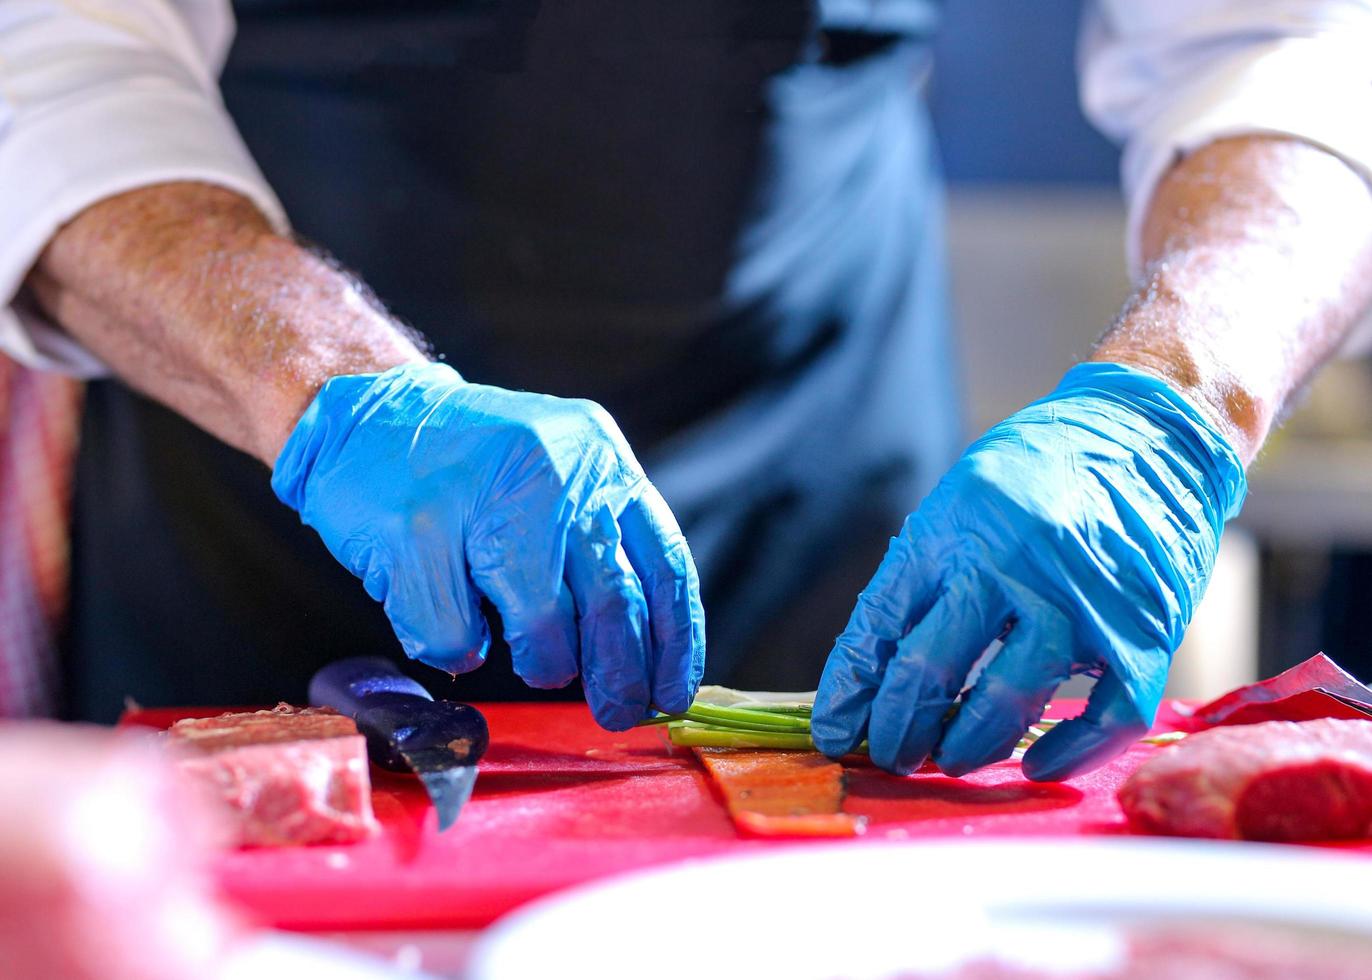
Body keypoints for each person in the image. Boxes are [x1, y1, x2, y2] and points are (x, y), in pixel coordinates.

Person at [2, 1, 1369, 781]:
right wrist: (333, 393)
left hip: (823, 445)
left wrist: (1169, 409)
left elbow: (1285, 34)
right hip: (268, 462)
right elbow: (43, 52)